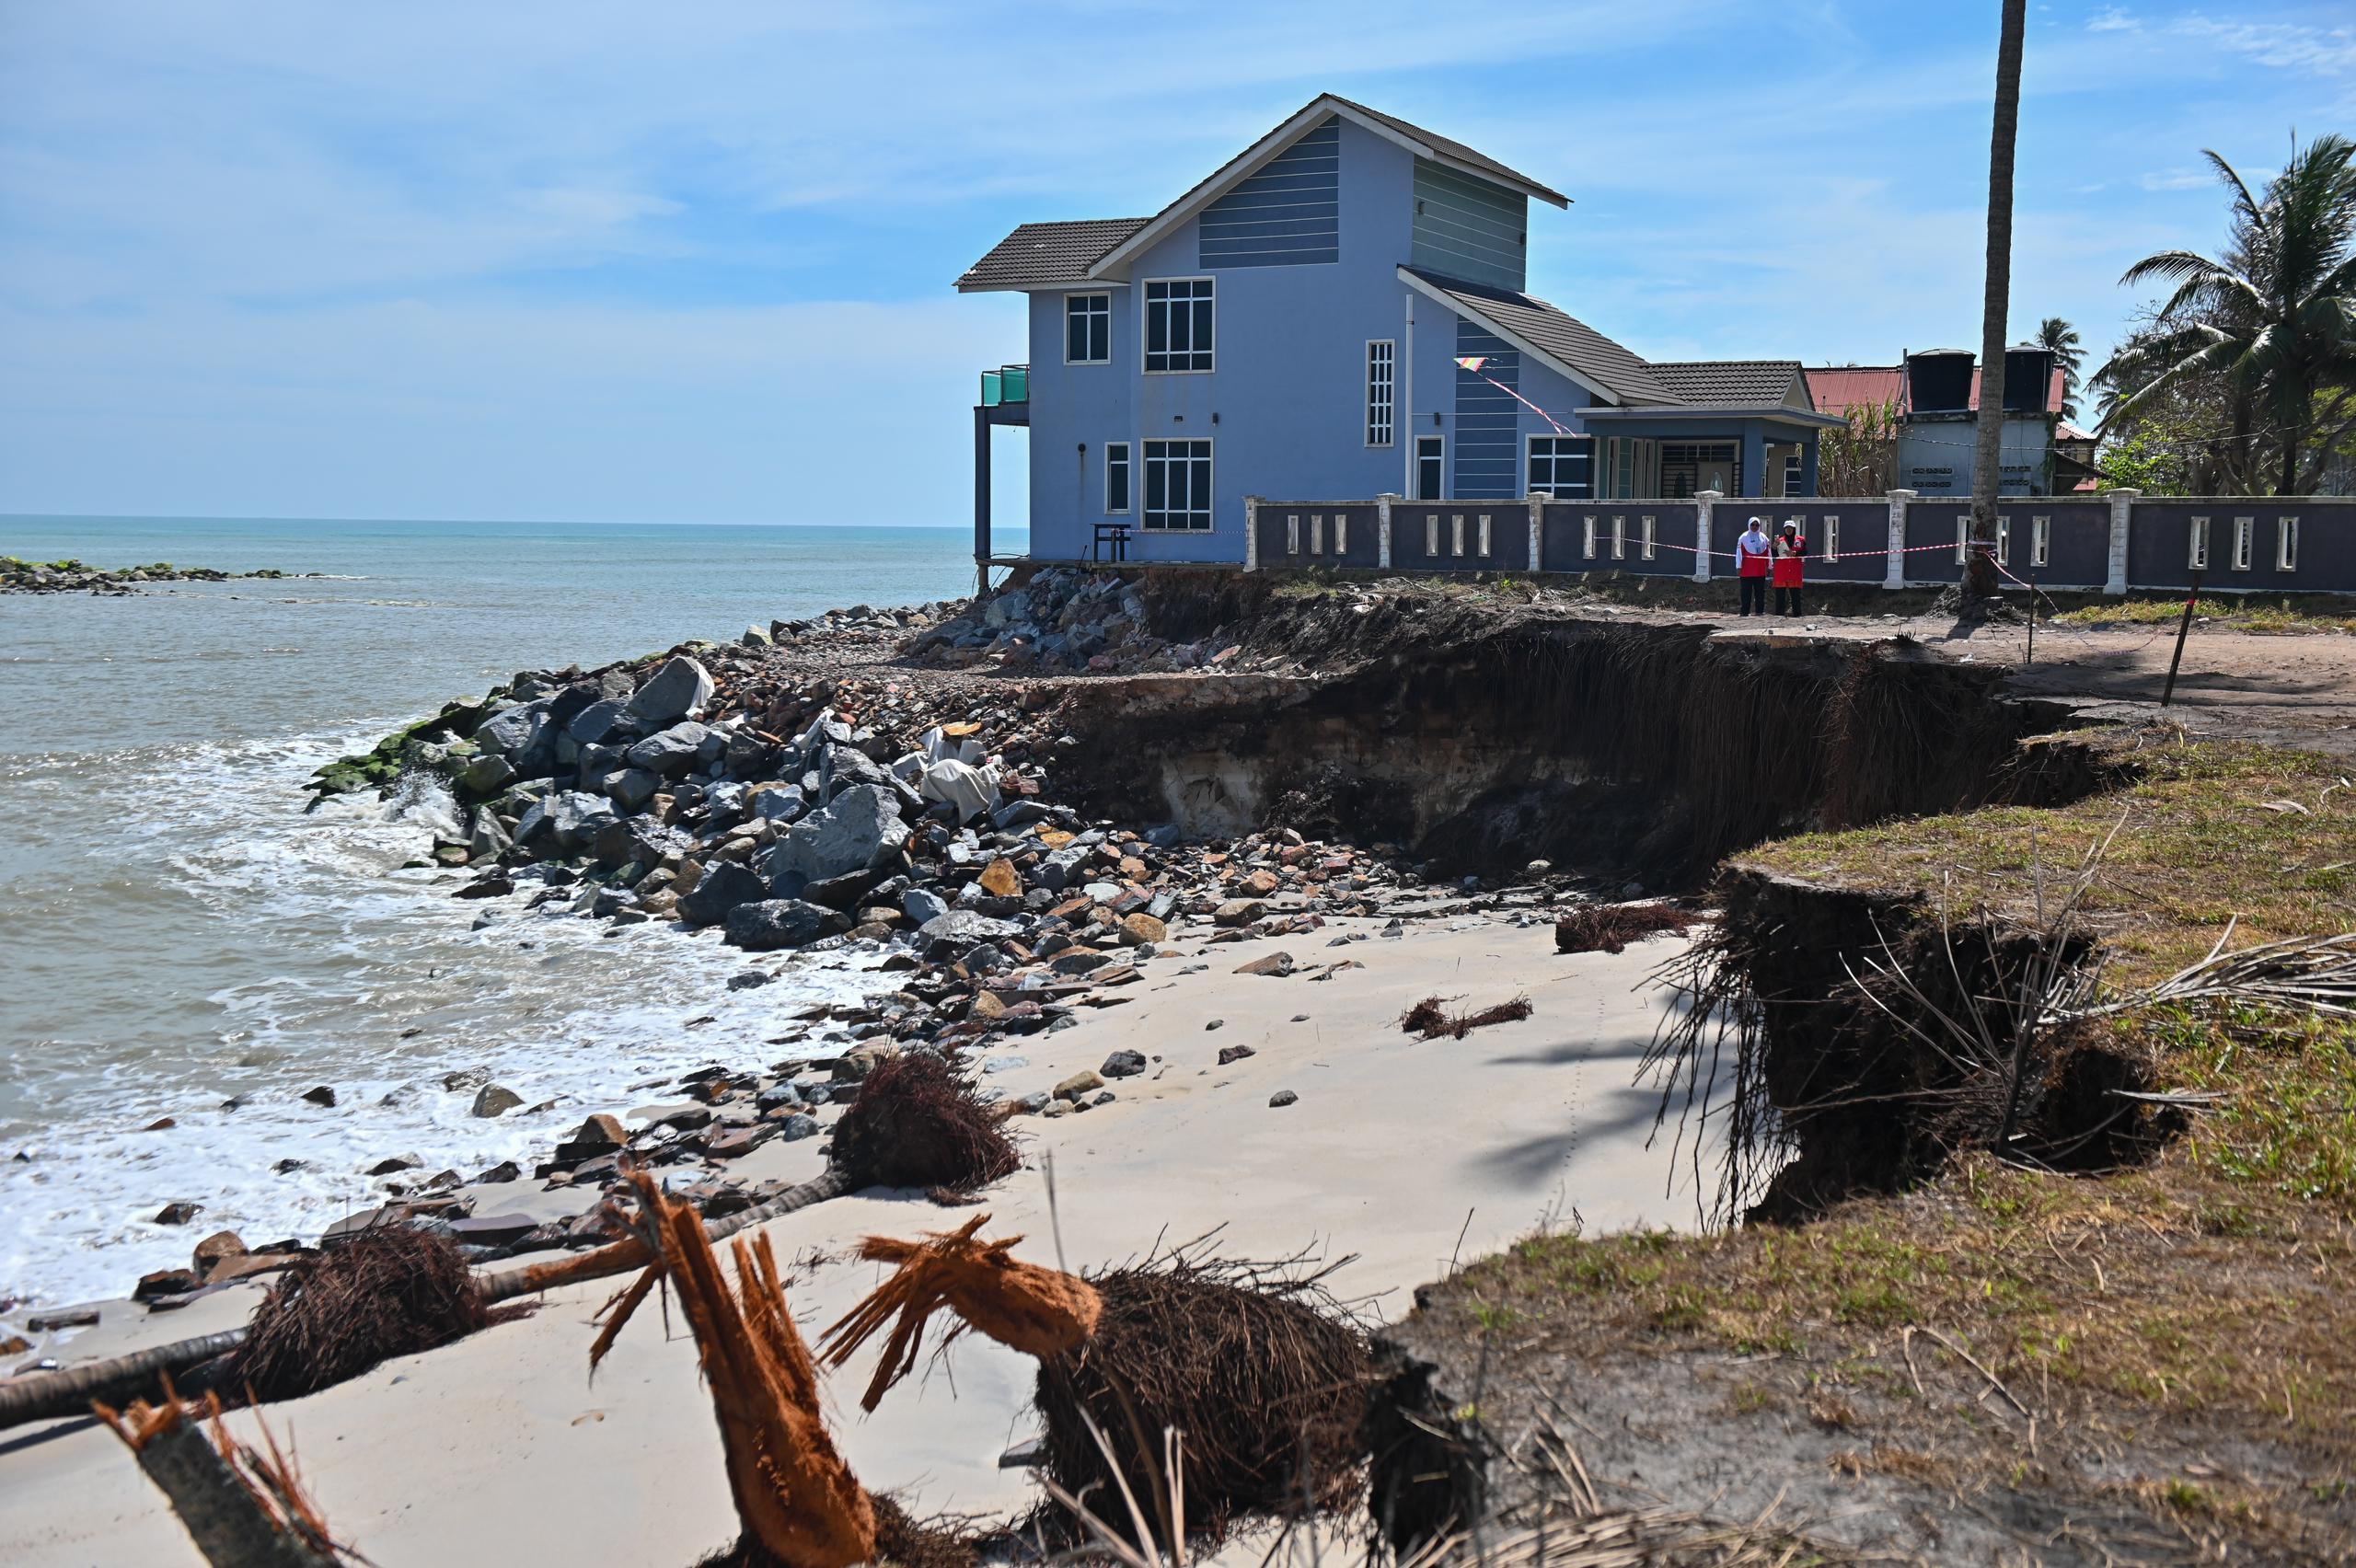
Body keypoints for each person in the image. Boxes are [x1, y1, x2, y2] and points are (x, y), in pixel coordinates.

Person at [1735, 516, 1771, 616]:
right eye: (1752, 525)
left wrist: (1769, 566)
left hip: (1760, 571)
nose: (1754, 527)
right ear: (1749, 525)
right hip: (1746, 571)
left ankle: (1760, 611)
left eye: (1757, 525)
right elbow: (1739, 553)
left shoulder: (1764, 538)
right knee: (1746, 593)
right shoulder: (1743, 537)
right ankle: (1744, 612)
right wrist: (1738, 566)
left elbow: (1768, 553)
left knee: (1760, 593)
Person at [1772, 519, 1807, 617]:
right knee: (1780, 596)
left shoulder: (1800, 540)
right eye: (1787, 528)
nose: (1788, 530)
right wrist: (1774, 547)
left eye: (1790, 528)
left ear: (1794, 529)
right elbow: (1774, 555)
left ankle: (1797, 615)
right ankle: (1779, 616)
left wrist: (1795, 553)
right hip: (1782, 571)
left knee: (1795, 596)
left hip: (1795, 571)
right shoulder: (1780, 541)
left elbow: (1805, 552)